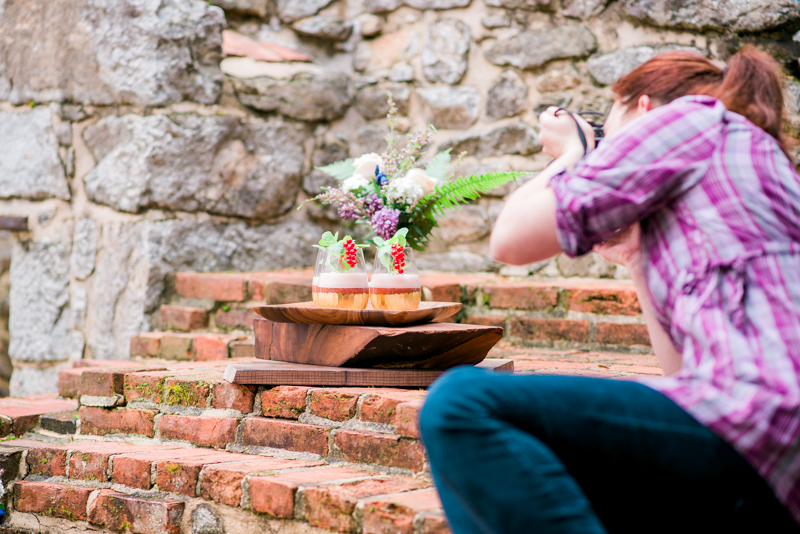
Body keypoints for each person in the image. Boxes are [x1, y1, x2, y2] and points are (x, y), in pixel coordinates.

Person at [419, 46, 800, 533]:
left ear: (641, 107)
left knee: (460, 405)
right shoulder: (740, 160)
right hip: (767, 448)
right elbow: (683, 374)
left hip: (760, 418)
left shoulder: (693, 119)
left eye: (609, 129)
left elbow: (509, 239)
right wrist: (637, 259)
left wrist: (577, 150)